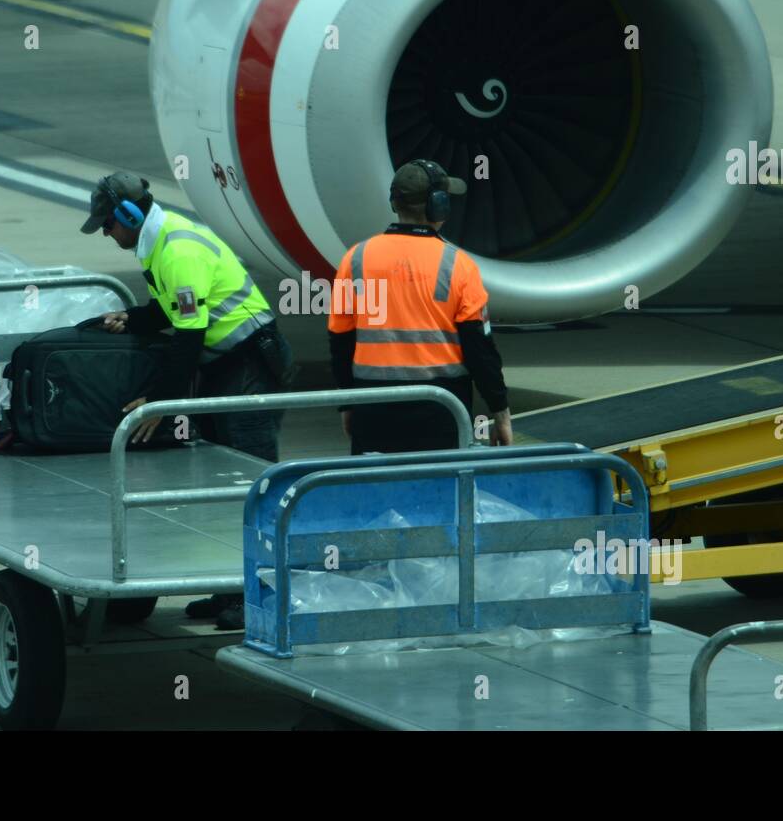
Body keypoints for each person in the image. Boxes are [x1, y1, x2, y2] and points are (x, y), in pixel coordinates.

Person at [82, 171, 292, 629]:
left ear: (129, 215)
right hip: (226, 366)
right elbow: (175, 311)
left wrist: (157, 404)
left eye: (107, 224)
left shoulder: (176, 249)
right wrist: (133, 318)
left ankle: (258, 596)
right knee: (225, 480)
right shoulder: (158, 243)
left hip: (247, 365)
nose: (104, 232)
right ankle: (230, 589)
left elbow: (188, 337)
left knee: (251, 482)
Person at [328, 159, 514, 453]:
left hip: (373, 410)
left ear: (394, 202)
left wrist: (347, 404)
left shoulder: (356, 259)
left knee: (374, 493)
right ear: (438, 206)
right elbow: (480, 350)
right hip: (440, 410)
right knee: (440, 493)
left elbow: (340, 342)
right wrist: (500, 411)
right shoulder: (457, 266)